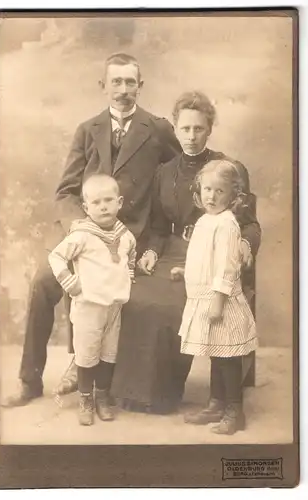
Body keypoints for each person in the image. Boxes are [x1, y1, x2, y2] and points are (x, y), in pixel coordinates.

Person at [3, 52, 180, 408]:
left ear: (140, 87)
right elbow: (66, 191)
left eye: (131, 82)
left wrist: (155, 240)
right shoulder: (88, 130)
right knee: (42, 281)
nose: (123, 90)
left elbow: (175, 180)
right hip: (83, 233)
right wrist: (78, 229)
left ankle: (85, 367)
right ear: (103, 86)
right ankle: (30, 380)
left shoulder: (157, 129)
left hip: (127, 240)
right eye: (116, 81)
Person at [111, 91, 261, 414]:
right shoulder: (164, 172)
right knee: (135, 297)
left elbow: (249, 224)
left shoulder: (228, 169)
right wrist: (151, 250)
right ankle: (132, 392)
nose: (191, 137)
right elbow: (159, 227)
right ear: (176, 129)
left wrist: (245, 246)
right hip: (174, 254)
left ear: (209, 130)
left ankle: (161, 396)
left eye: (199, 129)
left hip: (214, 256)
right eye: (185, 129)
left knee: (170, 305)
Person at [176, 160, 258, 435]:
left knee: (227, 356)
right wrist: (184, 270)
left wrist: (219, 299)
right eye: (207, 189)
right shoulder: (205, 220)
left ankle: (234, 409)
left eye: (219, 191)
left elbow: (226, 265)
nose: (211, 196)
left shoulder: (227, 224)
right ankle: (216, 403)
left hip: (219, 298)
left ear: (233, 196)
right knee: (215, 353)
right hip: (203, 295)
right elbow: (202, 257)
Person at [48, 175, 136, 424]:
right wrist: (70, 282)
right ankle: (85, 398)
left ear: (119, 202)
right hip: (89, 306)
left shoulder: (125, 235)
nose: (104, 206)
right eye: (96, 202)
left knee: (109, 355)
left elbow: (130, 256)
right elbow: (56, 257)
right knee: (87, 357)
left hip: (114, 307)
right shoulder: (81, 235)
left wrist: (126, 279)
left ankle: (102, 397)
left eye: (109, 200)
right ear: (86, 208)